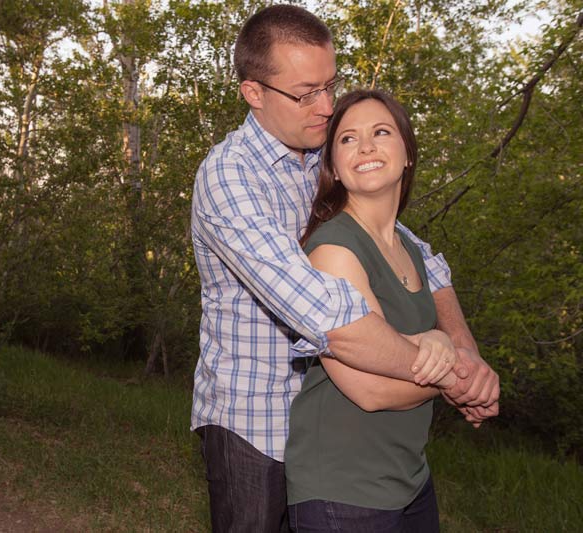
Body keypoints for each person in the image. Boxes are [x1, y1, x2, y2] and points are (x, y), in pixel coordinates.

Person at [190, 5, 499, 532]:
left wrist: (463, 347)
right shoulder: (229, 178)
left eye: (330, 85)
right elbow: (329, 316)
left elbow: (421, 257)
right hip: (254, 423)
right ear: (254, 93)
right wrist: (452, 374)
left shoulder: (323, 155)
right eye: (306, 92)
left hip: (330, 424)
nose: (327, 106)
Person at [286, 89, 455, 532]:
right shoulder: (333, 250)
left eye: (381, 132)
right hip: (343, 491)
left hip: (409, 478)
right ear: (335, 168)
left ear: (408, 154)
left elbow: (412, 352)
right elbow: (370, 389)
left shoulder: (409, 249)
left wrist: (441, 348)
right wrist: (455, 375)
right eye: (346, 139)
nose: (365, 147)